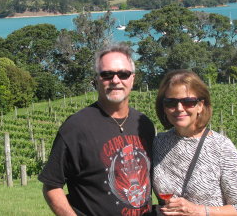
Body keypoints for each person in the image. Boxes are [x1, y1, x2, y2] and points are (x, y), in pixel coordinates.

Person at [38, 43, 155, 216]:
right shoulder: (76, 127)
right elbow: (51, 185)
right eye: (107, 74)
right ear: (97, 79)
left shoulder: (144, 124)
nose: (115, 80)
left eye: (123, 74)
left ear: (132, 79)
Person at [153, 69, 237, 216]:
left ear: (200, 105)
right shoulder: (158, 144)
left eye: (188, 102)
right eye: (171, 102)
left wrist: (198, 210)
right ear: (164, 107)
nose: (179, 108)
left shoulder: (221, 147)